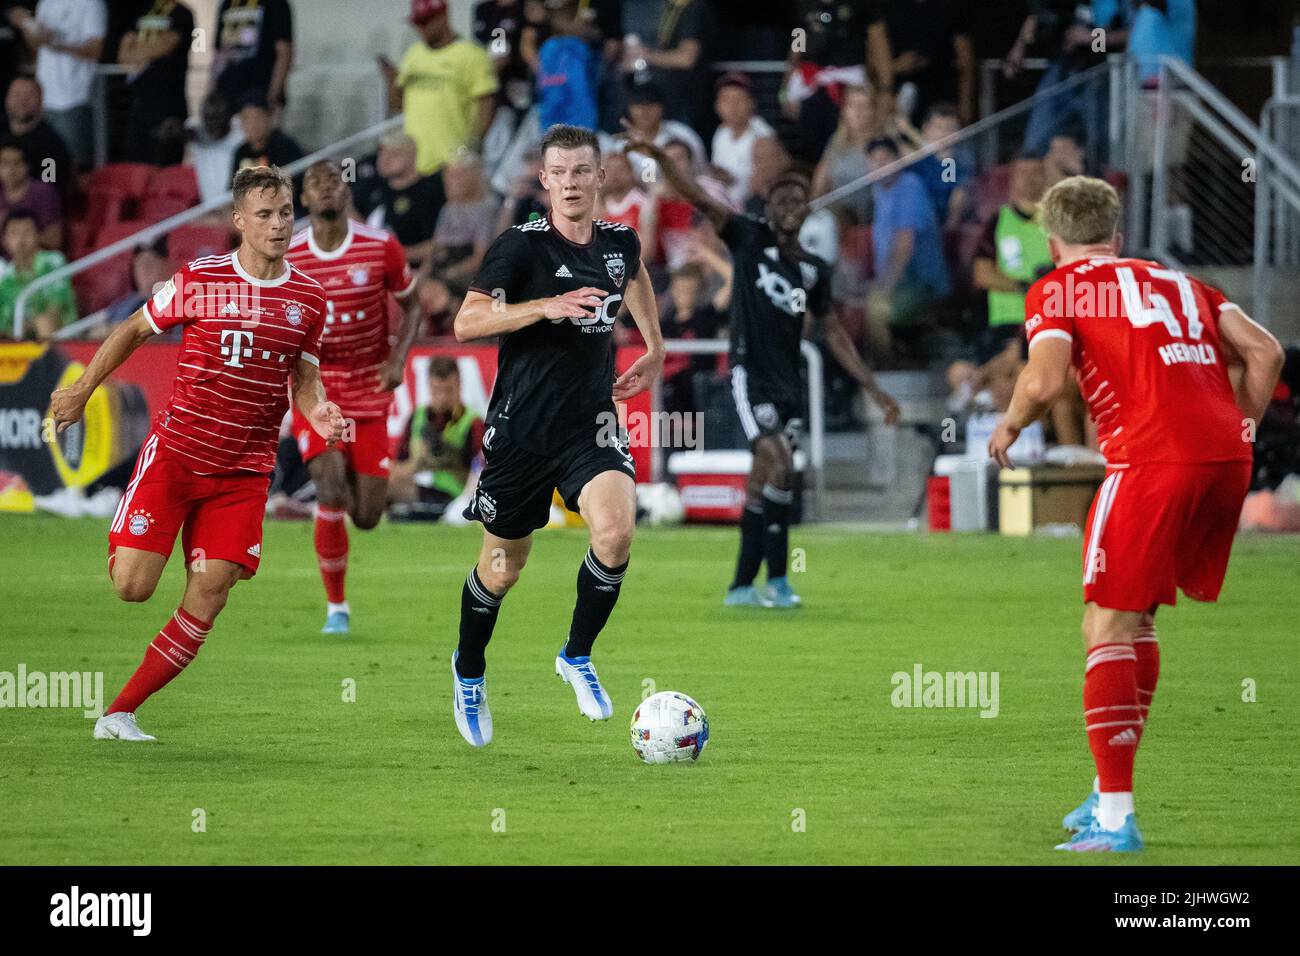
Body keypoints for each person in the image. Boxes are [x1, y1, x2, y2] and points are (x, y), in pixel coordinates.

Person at [988, 175, 1285, 851]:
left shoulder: (1058, 287)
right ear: (1117, 238)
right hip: (1223, 462)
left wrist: (1009, 426)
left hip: (1151, 460)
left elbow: (1044, 380)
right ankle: (1106, 786)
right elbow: (1265, 351)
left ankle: (1117, 816)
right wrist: (1240, 430)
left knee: (1106, 623)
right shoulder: (1181, 282)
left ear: (1053, 240)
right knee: (1132, 616)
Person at [47, 165, 343, 742]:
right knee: (132, 587)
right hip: (178, 455)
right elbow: (133, 329)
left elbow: (305, 382)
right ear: (239, 221)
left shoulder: (309, 299)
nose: (279, 224)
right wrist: (82, 390)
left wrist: (322, 411)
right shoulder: (202, 279)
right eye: (265, 215)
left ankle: (119, 713)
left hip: (244, 471)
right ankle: (134, 535)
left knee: (211, 590)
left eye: (285, 213)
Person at [448, 123, 664, 748]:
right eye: (559, 173)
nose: (571, 183)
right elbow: (466, 322)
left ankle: (575, 655)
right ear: (544, 180)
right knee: (502, 567)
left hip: (590, 425)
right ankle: (468, 670)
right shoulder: (519, 248)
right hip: (520, 433)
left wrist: (654, 344)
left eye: (582, 171)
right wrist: (542, 306)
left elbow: (636, 275)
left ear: (601, 176)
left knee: (617, 532)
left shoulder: (620, 240)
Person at [625, 128, 900, 609]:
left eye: (799, 198)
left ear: (809, 208)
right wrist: (660, 161)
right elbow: (693, 193)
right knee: (780, 462)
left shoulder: (814, 268)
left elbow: (832, 330)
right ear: (768, 207)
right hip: (749, 375)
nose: (791, 204)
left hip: (788, 381)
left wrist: (873, 387)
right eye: (781, 198)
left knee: (763, 481)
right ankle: (778, 581)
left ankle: (743, 586)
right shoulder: (747, 237)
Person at [285, 160, 421, 635]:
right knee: (329, 486)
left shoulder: (380, 246)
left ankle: (353, 508)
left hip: (369, 389)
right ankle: (336, 609)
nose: (324, 189)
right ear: (303, 199)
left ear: (346, 193)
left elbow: (413, 304)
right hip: (314, 389)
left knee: (365, 516)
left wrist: (398, 359)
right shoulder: (289, 254)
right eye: (314, 183)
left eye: (333, 181)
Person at [383, 0, 498, 177]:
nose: (421, 28)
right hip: (414, 165)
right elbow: (399, 106)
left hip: (452, 164)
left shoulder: (472, 55)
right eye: (417, 23)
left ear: (443, 17)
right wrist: (390, 81)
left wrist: (473, 148)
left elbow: (486, 104)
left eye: (425, 21)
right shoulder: (414, 54)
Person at [865, 136, 950, 358]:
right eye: (874, 160)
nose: (880, 165)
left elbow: (904, 245)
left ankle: (889, 371)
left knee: (877, 311)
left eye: (885, 159)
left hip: (922, 282)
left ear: (898, 160)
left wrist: (883, 290)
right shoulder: (878, 190)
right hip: (898, 282)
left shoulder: (910, 186)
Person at [10, 0, 105, 169]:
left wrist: (55, 43)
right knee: (46, 158)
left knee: (70, 160)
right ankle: (48, 191)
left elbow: (95, 49)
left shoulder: (91, 4)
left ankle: (67, 195)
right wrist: (26, 25)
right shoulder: (46, 3)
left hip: (73, 96)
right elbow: (36, 46)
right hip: (43, 97)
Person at [972, 154, 1050, 360]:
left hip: (1051, 320)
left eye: (1036, 173)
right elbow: (982, 274)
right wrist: (1026, 287)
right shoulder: (999, 221)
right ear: (1013, 178)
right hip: (1007, 321)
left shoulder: (1059, 222)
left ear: (1046, 178)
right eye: (1023, 173)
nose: (1029, 179)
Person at [388, 356, 485, 515]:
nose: (442, 397)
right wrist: (419, 462)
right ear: (429, 386)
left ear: (459, 386)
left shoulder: (472, 422)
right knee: (381, 482)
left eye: (449, 391)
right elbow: (397, 467)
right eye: (437, 390)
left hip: (455, 495)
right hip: (419, 488)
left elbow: (480, 475)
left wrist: (450, 458)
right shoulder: (417, 418)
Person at [117, 0, 194, 165]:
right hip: (139, 104)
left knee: (165, 164)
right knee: (136, 165)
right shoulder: (143, 10)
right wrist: (146, 52)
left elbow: (164, 46)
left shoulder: (181, 12)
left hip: (168, 104)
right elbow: (123, 53)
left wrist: (138, 49)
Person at [356, 131, 446, 269]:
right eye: (382, 153)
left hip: (412, 270)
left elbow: (439, 244)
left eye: (393, 154)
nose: (384, 160)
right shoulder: (374, 188)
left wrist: (391, 253)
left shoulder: (430, 191)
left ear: (412, 155)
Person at [882, 0, 975, 125]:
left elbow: (965, 60)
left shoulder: (950, 6)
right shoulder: (888, 6)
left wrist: (965, 104)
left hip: (941, 93)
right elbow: (874, 54)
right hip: (898, 94)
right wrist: (896, 67)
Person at [0, 209, 75, 339]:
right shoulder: (5, 279)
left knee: (44, 323)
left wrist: (27, 325)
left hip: (63, 334)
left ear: (38, 235)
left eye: (27, 231)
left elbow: (56, 308)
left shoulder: (54, 261)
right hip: (19, 339)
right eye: (14, 233)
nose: (21, 239)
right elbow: (4, 323)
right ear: (4, 240)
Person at [211, 0, 293, 112]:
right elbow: (218, 54)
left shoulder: (276, 4)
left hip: (259, 92)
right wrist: (210, 92)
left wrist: (274, 93)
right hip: (227, 93)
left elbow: (284, 52)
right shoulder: (227, 4)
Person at [3, 69, 72, 198]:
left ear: (41, 101)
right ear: (7, 99)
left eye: (29, 96)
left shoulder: (50, 145)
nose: (22, 102)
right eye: (17, 95)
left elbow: (49, 187)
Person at [710, 72, 774, 210]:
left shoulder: (762, 136)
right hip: (724, 206)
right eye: (726, 100)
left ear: (752, 103)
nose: (732, 107)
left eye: (738, 100)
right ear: (717, 106)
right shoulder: (721, 133)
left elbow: (761, 189)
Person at [0, 135, 61, 248]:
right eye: (5, 163)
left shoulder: (43, 192)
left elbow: (55, 240)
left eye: (16, 163)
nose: (11, 170)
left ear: (27, 166)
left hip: (37, 261)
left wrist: (20, 234)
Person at [230, 91, 303, 183]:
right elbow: (232, 189)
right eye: (247, 118)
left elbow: (293, 185)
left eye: (257, 117)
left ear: (269, 117)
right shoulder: (241, 152)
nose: (253, 125)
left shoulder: (286, 147)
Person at [185, 91, 243, 203]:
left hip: (234, 202)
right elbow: (185, 132)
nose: (214, 124)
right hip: (208, 205)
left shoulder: (240, 131)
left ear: (229, 116)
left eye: (218, 118)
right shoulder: (195, 133)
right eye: (209, 118)